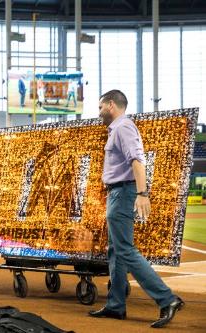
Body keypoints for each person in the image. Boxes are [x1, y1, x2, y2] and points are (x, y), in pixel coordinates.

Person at [88, 90, 184, 328]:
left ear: (111, 105)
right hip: (117, 192)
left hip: (123, 193)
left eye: (101, 107)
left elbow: (137, 161)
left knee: (125, 251)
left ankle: (167, 299)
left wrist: (143, 194)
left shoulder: (123, 128)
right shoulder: (118, 129)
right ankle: (115, 305)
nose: (99, 112)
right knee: (116, 251)